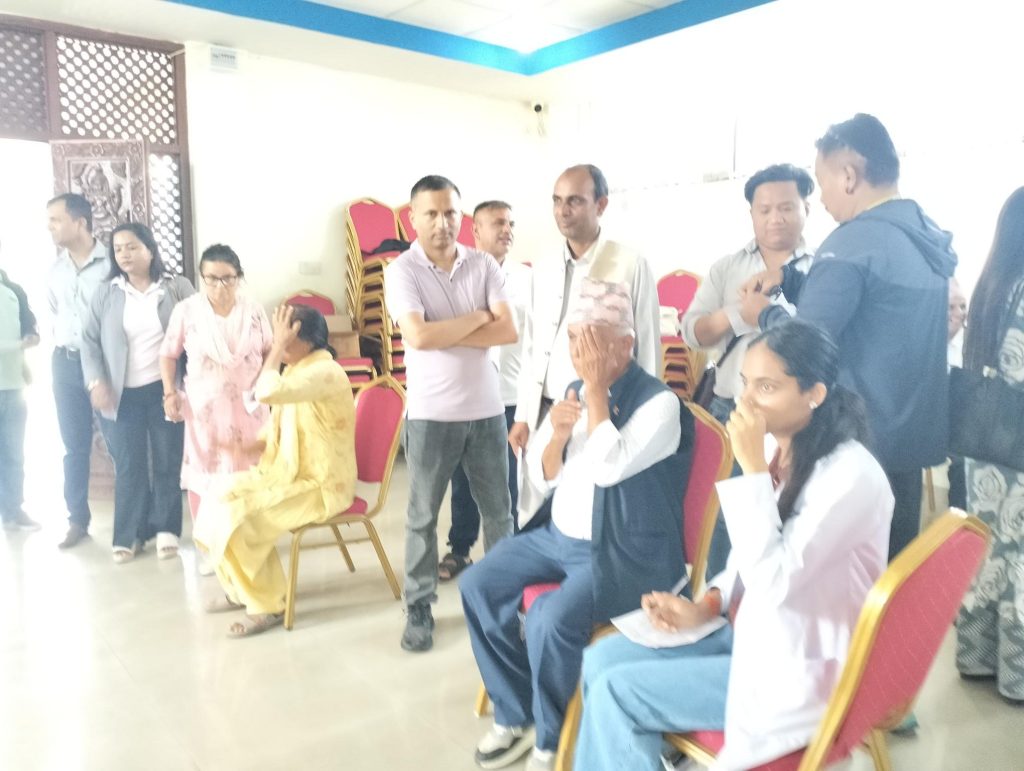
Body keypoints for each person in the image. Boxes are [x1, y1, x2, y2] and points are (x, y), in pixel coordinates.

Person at [574, 320, 894, 771]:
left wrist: (753, 471)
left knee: (616, 692)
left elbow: (774, 583)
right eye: (745, 383)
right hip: (754, 634)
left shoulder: (850, 478)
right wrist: (706, 605)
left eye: (767, 387)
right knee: (600, 658)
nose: (746, 400)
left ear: (814, 394)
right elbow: (749, 558)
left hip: (797, 669)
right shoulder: (785, 445)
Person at [460, 278, 693, 771]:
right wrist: (558, 436)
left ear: (626, 345)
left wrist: (596, 393)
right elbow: (543, 478)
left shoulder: (660, 404)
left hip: (616, 550)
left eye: (592, 342)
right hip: (554, 536)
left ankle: (550, 737)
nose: (579, 353)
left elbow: (609, 468)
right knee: (478, 583)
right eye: (572, 339)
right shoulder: (573, 390)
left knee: (549, 618)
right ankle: (514, 710)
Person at [741, 113, 956, 560]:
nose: (821, 199)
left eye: (822, 184)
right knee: (892, 567)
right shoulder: (921, 234)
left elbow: (804, 345)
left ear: (849, 176)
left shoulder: (853, 242)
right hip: (910, 442)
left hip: (857, 445)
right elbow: (877, 312)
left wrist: (764, 314)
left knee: (839, 572)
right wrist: (793, 280)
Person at [384, 175, 516, 652]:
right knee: (422, 517)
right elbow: (418, 337)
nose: (442, 223)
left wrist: (449, 330)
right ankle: (419, 606)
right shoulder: (402, 271)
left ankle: (504, 602)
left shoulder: (484, 264)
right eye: (432, 213)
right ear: (413, 218)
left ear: (462, 217)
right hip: (430, 416)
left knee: (499, 515)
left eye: (450, 213)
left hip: (487, 412)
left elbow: (508, 331)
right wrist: (479, 317)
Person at [680, 162, 814, 578]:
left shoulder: (823, 271)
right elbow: (693, 333)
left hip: (798, 422)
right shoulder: (727, 268)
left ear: (807, 208)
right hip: (733, 411)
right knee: (725, 515)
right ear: (752, 213)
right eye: (765, 209)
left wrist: (772, 310)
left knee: (789, 515)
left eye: (787, 207)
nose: (775, 218)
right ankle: (718, 600)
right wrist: (742, 313)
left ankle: (772, 598)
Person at [193, 304, 356, 638]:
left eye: (284, 335)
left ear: (305, 340)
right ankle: (240, 590)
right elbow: (276, 429)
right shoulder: (297, 371)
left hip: (320, 485)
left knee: (241, 520)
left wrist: (277, 346)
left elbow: (266, 392)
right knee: (217, 495)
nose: (276, 342)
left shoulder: (326, 373)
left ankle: (267, 604)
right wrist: (242, 448)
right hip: (285, 474)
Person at [510, 164, 660, 524]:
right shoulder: (543, 267)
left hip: (596, 409)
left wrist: (638, 417)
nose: (563, 211)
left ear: (601, 204)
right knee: (534, 509)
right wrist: (523, 415)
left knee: (583, 511)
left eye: (575, 201)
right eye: (557, 201)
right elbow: (532, 345)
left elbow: (648, 348)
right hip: (544, 410)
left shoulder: (628, 263)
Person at [81, 222, 194, 563]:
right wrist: (96, 382)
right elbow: (89, 341)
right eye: (118, 249)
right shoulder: (107, 292)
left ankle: (166, 530)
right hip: (121, 395)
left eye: (131, 247)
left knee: (167, 461)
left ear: (150, 249)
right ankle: (130, 534)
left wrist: (188, 385)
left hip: (165, 389)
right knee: (129, 465)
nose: (124, 254)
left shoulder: (175, 287)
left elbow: (196, 331)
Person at [159, 244, 272, 574]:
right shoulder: (187, 311)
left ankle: (250, 545)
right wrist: (169, 393)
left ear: (239, 277)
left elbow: (270, 351)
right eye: (211, 279)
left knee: (248, 476)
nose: (220, 287)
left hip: (250, 408)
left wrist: (267, 388)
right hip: (206, 411)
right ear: (202, 278)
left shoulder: (253, 311)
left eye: (228, 279)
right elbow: (168, 354)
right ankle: (211, 549)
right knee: (206, 478)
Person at [955, 187, 1024, 705]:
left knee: (988, 548)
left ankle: (976, 657)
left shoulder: (994, 284)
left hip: (985, 441)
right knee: (1018, 555)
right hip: (1018, 445)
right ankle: (1016, 676)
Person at [441, 200, 531, 581]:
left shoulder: (527, 279)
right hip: (468, 395)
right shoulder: (457, 277)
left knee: (509, 481)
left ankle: (509, 555)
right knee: (463, 480)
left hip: (511, 394)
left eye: (510, 223)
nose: (507, 230)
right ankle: (460, 549)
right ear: (475, 230)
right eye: (497, 223)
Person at [46, 193, 109, 549]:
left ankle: (136, 520)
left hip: (106, 363)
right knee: (74, 445)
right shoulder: (55, 271)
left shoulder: (111, 265)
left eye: (56, 220)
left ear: (80, 222)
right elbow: (56, 312)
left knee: (120, 441)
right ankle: (77, 520)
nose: (50, 227)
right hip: (65, 362)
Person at [0, 253, 41, 532]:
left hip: (13, 386)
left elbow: (31, 330)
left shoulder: (14, 291)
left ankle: (13, 511)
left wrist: (29, 340)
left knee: (14, 453)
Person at [946, 276, 968, 510]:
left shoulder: (970, 345)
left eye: (962, 306)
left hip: (961, 426)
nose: (959, 313)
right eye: (950, 307)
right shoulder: (923, 344)